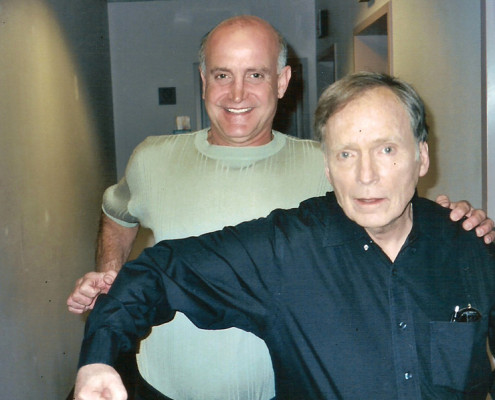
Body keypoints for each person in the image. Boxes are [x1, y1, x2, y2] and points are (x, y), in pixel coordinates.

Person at [68, 16, 495, 400]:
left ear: (422, 157)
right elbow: (159, 269)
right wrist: (99, 355)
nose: (366, 175)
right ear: (328, 168)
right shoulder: (287, 248)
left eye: (386, 149)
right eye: (347, 154)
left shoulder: (470, 248)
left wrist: (460, 223)